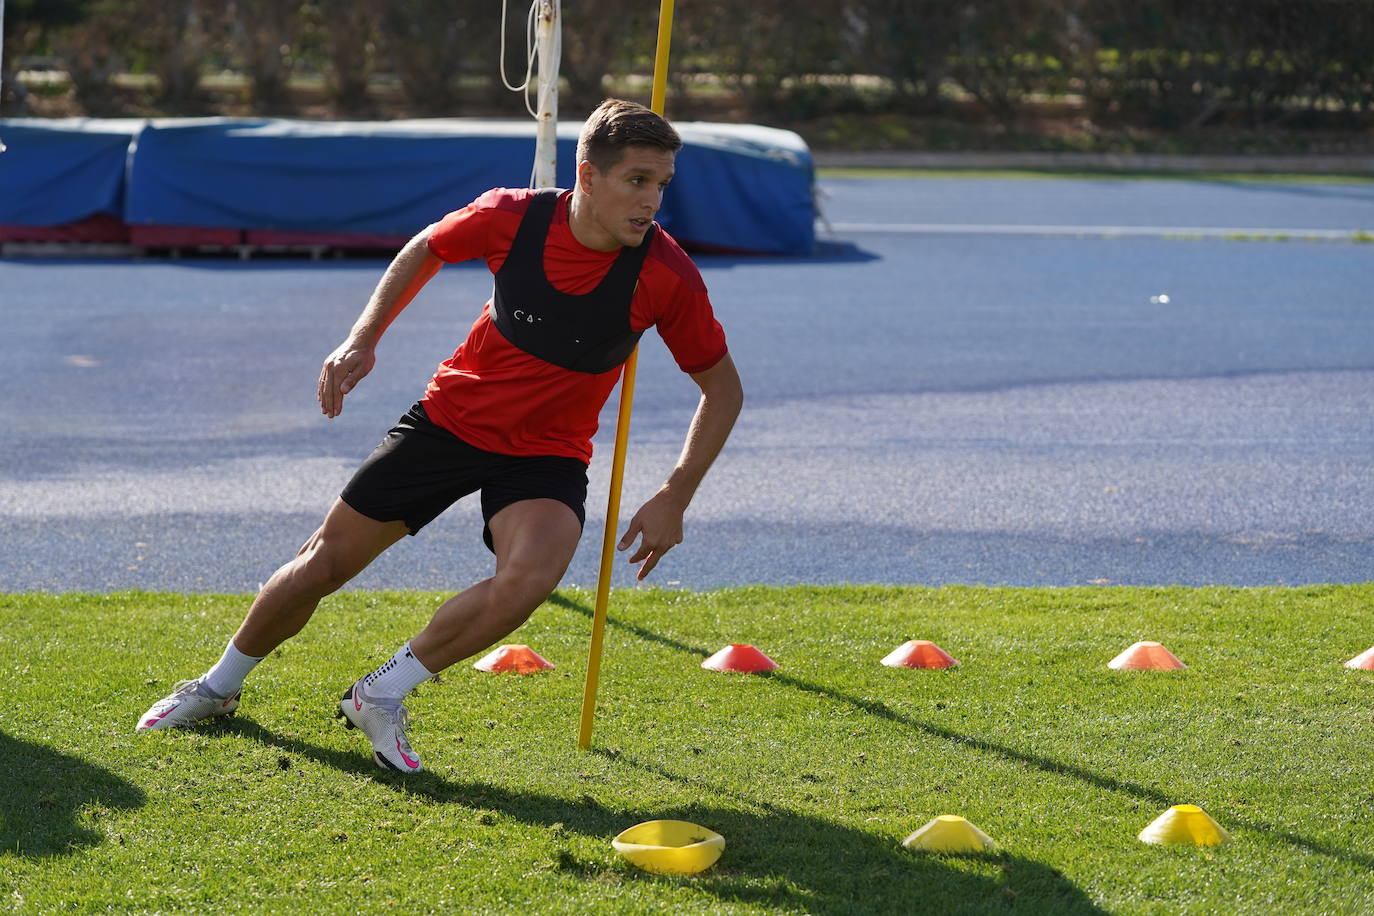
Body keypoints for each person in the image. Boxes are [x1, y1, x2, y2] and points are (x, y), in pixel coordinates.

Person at [135, 99, 743, 774]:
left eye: (662, 184)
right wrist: (362, 339)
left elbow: (723, 390)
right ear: (588, 176)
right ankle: (216, 688)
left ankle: (379, 694)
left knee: (527, 580)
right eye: (637, 180)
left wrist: (675, 494)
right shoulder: (512, 216)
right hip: (451, 421)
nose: (652, 201)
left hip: (546, 452)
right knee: (324, 565)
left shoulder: (666, 274)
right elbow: (428, 246)